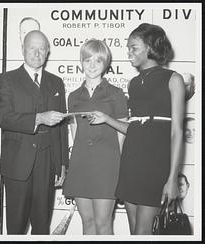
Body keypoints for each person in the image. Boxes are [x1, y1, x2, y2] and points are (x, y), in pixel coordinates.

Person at [88, 23, 185, 234]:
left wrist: (172, 178)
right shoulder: (133, 83)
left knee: (144, 232)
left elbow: (176, 131)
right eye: (128, 47)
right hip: (131, 162)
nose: (128, 52)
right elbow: (135, 128)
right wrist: (106, 119)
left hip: (156, 165)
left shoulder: (173, 79)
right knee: (134, 232)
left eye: (134, 47)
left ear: (150, 48)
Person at [0, 30, 68, 234]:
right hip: (18, 164)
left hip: (47, 163)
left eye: (41, 48)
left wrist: (62, 163)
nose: (37, 53)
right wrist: (39, 118)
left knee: (42, 226)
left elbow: (61, 127)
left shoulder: (56, 82)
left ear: (48, 52)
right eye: (32, 48)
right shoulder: (6, 80)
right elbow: (3, 117)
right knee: (16, 227)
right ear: (23, 49)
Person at [63, 39, 128, 234]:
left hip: (107, 165)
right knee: (87, 222)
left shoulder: (116, 94)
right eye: (87, 60)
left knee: (103, 223)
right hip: (81, 164)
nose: (92, 65)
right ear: (81, 62)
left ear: (105, 64)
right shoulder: (73, 96)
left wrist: (118, 166)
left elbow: (122, 133)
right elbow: (75, 134)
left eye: (97, 61)